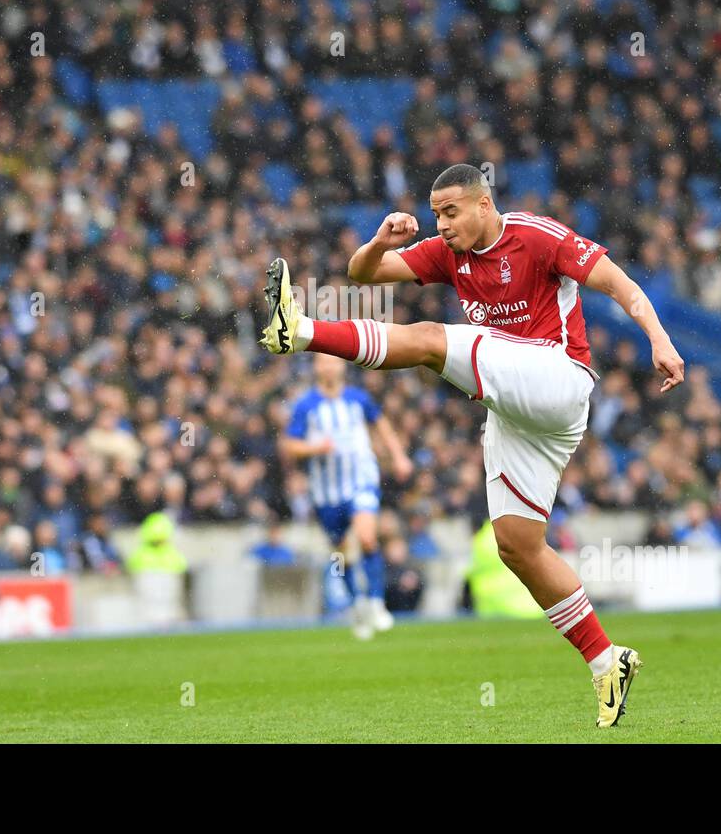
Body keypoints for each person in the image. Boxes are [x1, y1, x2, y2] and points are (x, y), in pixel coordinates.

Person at [259, 163, 686, 727]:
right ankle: (608, 660)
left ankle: (302, 331)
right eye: (437, 213)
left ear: (485, 205)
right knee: (516, 545)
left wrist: (658, 337)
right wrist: (377, 242)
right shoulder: (446, 251)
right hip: (515, 408)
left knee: (433, 341)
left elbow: (619, 284)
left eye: (452, 211)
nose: (443, 223)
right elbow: (362, 275)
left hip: (559, 380)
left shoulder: (537, 237)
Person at [279, 353, 413, 639]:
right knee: (343, 555)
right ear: (316, 368)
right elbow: (290, 445)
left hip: (361, 480)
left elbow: (382, 425)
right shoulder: (306, 405)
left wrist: (399, 456)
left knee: (366, 537)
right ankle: (358, 606)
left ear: (342, 366)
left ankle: (376, 602)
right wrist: (315, 448)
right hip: (327, 492)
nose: (329, 366)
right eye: (323, 362)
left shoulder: (357, 398)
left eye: (333, 361)